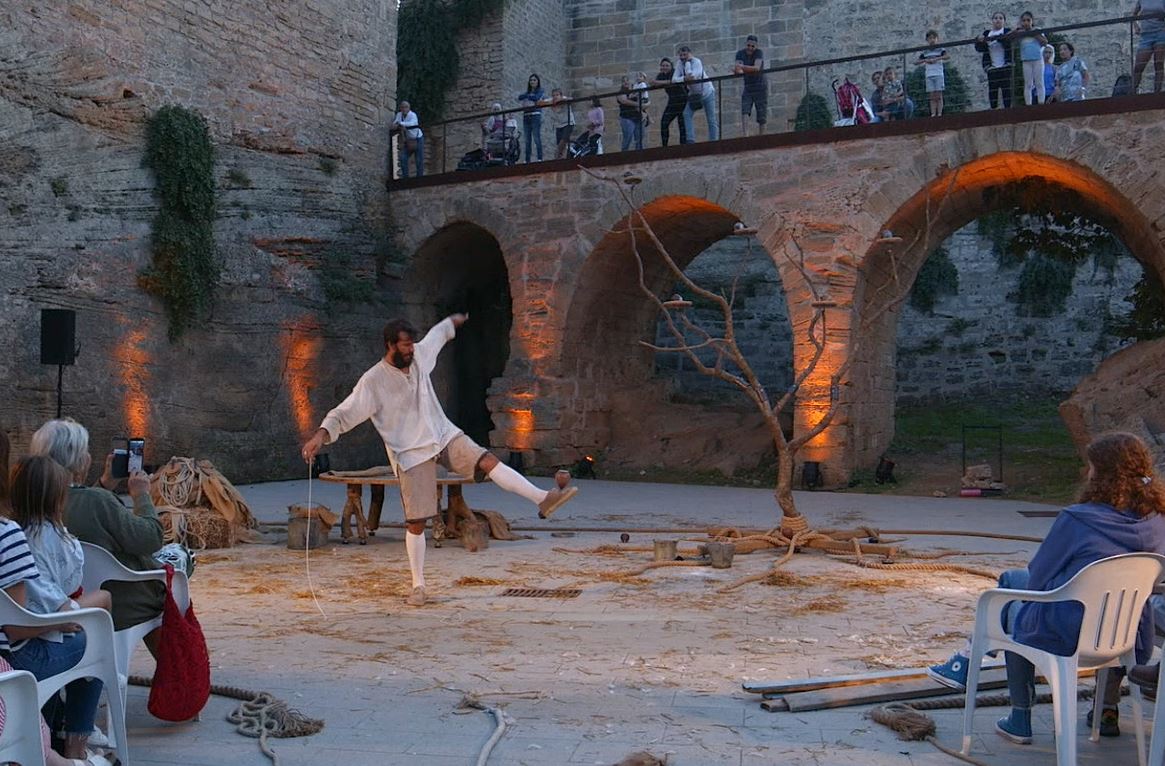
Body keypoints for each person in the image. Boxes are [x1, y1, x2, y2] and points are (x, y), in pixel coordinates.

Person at [301, 316, 579, 607]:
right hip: (410, 452)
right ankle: (418, 585)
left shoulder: (419, 355)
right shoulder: (373, 381)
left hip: (442, 434)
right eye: (405, 346)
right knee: (417, 522)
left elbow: (436, 337)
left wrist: (453, 322)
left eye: (411, 345)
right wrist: (320, 436)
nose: (411, 351)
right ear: (389, 345)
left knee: (486, 460)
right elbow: (344, 413)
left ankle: (542, 499)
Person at [927, 432, 1165, 743]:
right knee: (1012, 581)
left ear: (1104, 474)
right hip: (1127, 632)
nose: (1087, 472)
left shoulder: (1078, 519)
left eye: (1091, 467)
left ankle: (1016, 713)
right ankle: (967, 660)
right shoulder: (1157, 519)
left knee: (1012, 604)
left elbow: (1038, 578)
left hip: (1069, 633)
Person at [5, 456, 112, 763]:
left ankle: (56, 730)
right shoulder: (54, 541)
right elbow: (63, 606)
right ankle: (78, 739)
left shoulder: (14, 533)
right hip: (23, 650)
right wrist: (101, 599)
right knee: (94, 637)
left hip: (17, 642)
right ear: (58, 498)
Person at [29, 419, 165, 640]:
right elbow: (150, 538)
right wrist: (142, 496)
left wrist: (104, 483)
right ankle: (176, 669)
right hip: (118, 600)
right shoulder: (97, 501)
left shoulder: (33, 500)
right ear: (79, 461)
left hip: (58, 601)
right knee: (174, 572)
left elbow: (81, 508)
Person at [674, 45, 718, 142]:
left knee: (711, 118)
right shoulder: (679, 64)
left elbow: (694, 76)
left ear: (689, 54)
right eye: (680, 55)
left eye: (685, 54)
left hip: (707, 92)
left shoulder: (697, 62)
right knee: (686, 114)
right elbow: (674, 79)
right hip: (694, 94)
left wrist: (688, 64)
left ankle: (713, 140)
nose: (682, 57)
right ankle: (690, 140)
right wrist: (684, 78)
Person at [1008, 11, 1049, 105]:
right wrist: (1017, 30)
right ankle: (1028, 104)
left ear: (1032, 21)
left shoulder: (1037, 30)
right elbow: (1009, 37)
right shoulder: (1020, 33)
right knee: (1028, 84)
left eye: (1028, 20)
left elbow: (1045, 42)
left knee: (1039, 82)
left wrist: (1033, 33)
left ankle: (1041, 103)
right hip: (1026, 61)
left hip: (1037, 59)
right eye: (1024, 20)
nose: (1026, 22)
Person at [975, 11, 1013, 108]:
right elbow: (979, 48)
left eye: (1001, 18)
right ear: (992, 21)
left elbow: (1008, 42)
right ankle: (993, 110)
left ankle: (1008, 111)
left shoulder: (1007, 31)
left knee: (1006, 90)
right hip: (992, 67)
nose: (998, 20)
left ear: (1004, 21)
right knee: (993, 91)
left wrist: (997, 38)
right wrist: (978, 39)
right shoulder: (987, 33)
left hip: (1005, 66)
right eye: (996, 18)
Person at [734, 34, 767, 135]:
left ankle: (762, 136)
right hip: (748, 86)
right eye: (748, 45)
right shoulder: (740, 54)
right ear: (746, 44)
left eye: (753, 46)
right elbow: (738, 70)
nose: (750, 48)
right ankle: (745, 135)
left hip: (760, 85)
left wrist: (741, 67)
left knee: (761, 113)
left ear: (756, 46)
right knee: (745, 110)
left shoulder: (758, 53)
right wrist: (738, 69)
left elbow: (756, 68)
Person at [1133, 0, 1165, 93]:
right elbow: (1134, 14)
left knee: (1158, 63)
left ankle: (1157, 92)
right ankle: (1132, 92)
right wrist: (1136, 26)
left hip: (1160, 33)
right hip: (1146, 36)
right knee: (1138, 66)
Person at [915, 30, 949, 117]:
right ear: (927, 40)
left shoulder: (940, 49)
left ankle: (940, 113)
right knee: (932, 95)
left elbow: (947, 56)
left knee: (939, 94)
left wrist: (936, 59)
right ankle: (933, 113)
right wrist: (925, 60)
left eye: (934, 38)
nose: (932, 40)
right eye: (930, 38)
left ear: (937, 39)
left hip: (938, 73)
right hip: (929, 74)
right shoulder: (925, 51)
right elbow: (917, 62)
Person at [655, 58, 688, 146]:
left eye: (667, 66)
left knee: (682, 124)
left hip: (682, 100)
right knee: (664, 122)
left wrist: (659, 82)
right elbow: (653, 83)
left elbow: (673, 81)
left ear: (671, 66)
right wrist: (658, 82)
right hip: (673, 102)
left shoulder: (675, 72)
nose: (664, 67)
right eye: (663, 66)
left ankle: (683, 145)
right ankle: (664, 146)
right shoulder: (661, 75)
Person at [390, 101, 423, 179]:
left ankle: (420, 177)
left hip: (418, 138)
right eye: (402, 107)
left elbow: (413, 123)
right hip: (408, 140)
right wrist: (398, 125)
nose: (404, 109)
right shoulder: (399, 115)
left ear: (409, 108)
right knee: (403, 157)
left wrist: (400, 124)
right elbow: (394, 125)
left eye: (406, 107)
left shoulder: (413, 115)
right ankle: (405, 177)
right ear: (400, 108)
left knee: (418, 159)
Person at [517, 74, 545, 163]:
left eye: (534, 80)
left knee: (536, 137)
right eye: (531, 80)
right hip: (526, 116)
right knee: (527, 139)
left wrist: (528, 96)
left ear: (537, 82)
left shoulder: (540, 91)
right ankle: (527, 159)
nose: (532, 82)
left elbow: (536, 98)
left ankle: (539, 158)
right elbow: (519, 97)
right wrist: (528, 96)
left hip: (535, 115)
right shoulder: (527, 92)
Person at [549, 88, 575, 159]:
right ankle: (561, 158)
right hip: (559, 125)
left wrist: (561, 100)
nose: (555, 97)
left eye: (557, 95)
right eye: (553, 95)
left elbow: (570, 99)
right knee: (561, 144)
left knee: (563, 141)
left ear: (561, 95)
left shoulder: (565, 100)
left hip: (568, 123)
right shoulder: (552, 103)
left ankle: (557, 155)